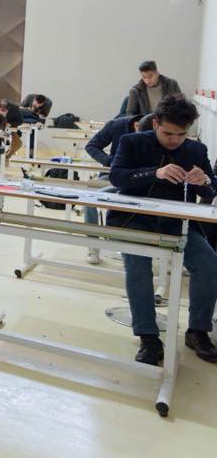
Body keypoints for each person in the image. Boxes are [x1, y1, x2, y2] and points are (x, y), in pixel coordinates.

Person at [107, 95, 217, 365]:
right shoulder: (131, 142)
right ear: (155, 123)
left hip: (177, 222)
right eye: (168, 133)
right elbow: (116, 177)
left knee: (209, 263)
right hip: (134, 219)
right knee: (138, 267)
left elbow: (210, 190)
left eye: (181, 134)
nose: (175, 140)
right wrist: (155, 173)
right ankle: (148, 337)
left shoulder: (196, 150)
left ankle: (198, 330)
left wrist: (203, 181)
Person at [81, 113, 146, 265]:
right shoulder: (116, 125)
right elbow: (92, 146)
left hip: (141, 181)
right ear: (135, 125)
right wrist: (110, 161)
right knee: (89, 201)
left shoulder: (154, 130)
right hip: (114, 177)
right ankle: (93, 247)